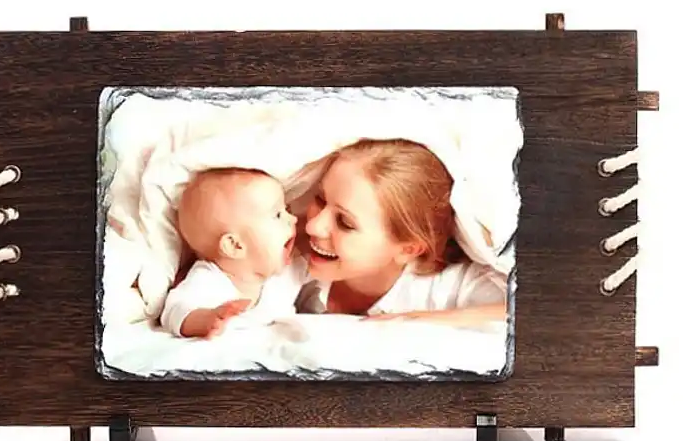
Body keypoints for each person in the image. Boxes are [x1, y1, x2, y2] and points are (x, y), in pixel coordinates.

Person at [292, 138, 508, 325]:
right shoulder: (291, 251)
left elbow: (518, 314)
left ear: (408, 249)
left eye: (345, 222)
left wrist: (411, 320)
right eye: (320, 199)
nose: (313, 226)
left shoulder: (447, 286)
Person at [161, 167, 307, 338]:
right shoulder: (209, 280)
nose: (293, 219)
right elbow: (174, 311)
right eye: (278, 215)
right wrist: (205, 320)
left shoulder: (291, 270)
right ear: (235, 245)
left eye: (287, 209)